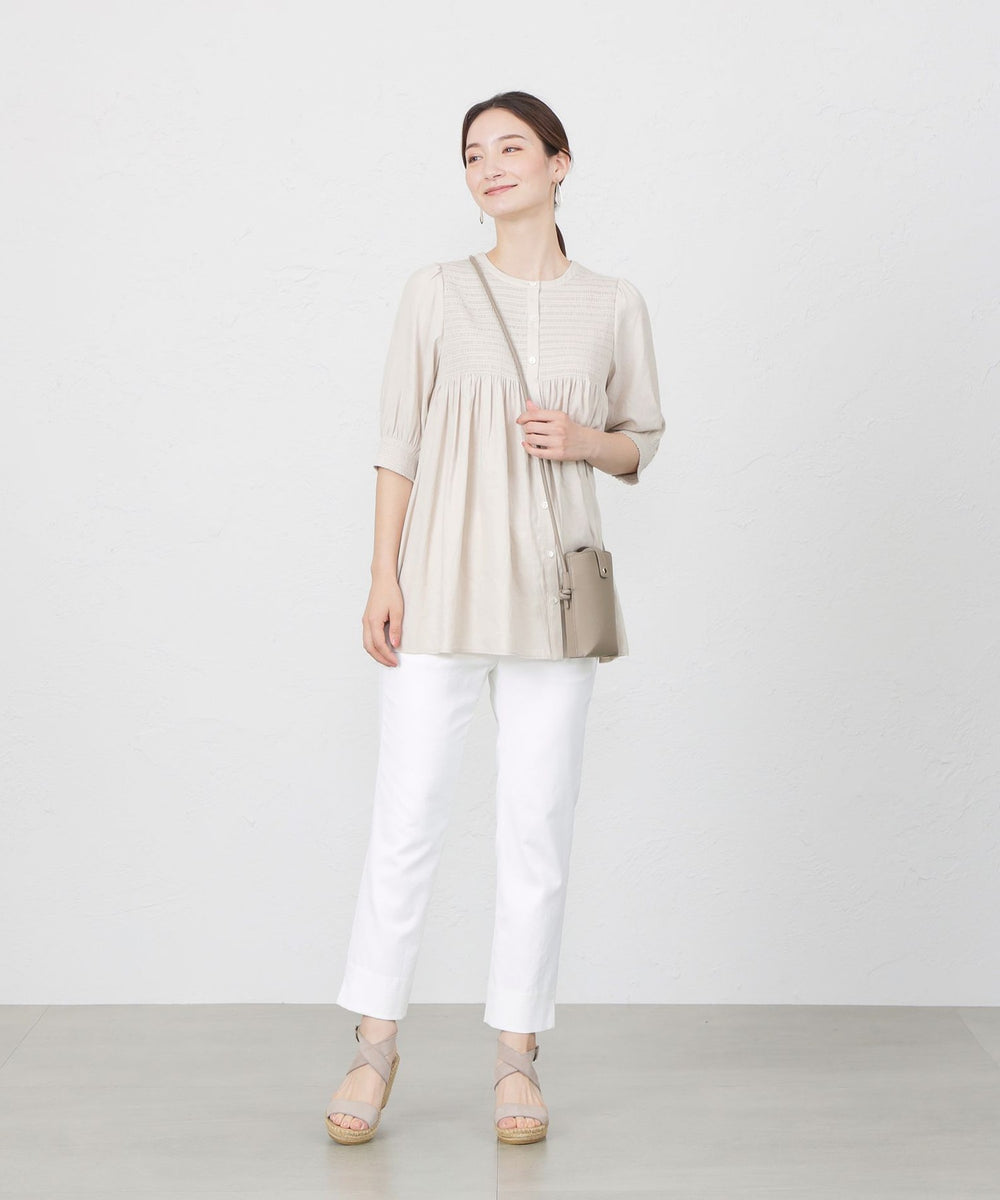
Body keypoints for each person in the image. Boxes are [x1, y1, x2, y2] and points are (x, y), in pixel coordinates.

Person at [325, 90, 665, 1146]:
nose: (490, 165)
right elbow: (397, 442)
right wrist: (382, 575)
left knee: (536, 829)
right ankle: (373, 1045)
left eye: (512, 146)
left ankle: (517, 1056)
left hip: (553, 601)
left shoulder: (612, 303)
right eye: (474, 153)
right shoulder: (435, 291)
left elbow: (641, 438)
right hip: (439, 586)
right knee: (406, 821)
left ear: (560, 163)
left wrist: (584, 440)